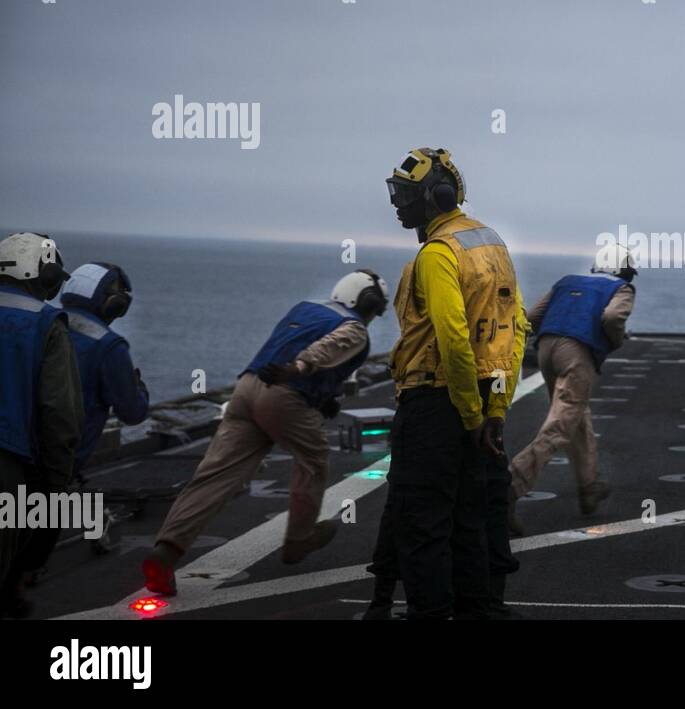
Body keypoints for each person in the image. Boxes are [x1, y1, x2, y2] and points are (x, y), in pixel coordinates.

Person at [143, 269, 388, 596]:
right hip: (285, 394)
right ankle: (298, 540)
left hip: (246, 389)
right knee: (313, 459)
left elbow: (288, 347)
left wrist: (323, 397)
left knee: (216, 474)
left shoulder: (304, 308)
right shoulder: (356, 328)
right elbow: (328, 349)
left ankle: (168, 549)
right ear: (369, 303)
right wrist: (299, 369)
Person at [366, 147, 527, 621]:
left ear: (437, 196)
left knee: (422, 524)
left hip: (435, 403)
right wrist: (493, 411)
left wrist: (473, 415)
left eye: (405, 195)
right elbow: (512, 333)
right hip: (478, 397)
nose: (397, 205)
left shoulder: (438, 255)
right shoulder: (492, 245)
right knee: (470, 519)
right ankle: (477, 610)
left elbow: (454, 338)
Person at [507, 243, 636, 533]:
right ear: (626, 271)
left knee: (575, 416)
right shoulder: (622, 289)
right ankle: (510, 486)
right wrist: (614, 341)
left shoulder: (567, 281)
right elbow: (613, 318)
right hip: (577, 353)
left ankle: (589, 486)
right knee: (559, 426)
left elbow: (530, 317)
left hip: (546, 349)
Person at [0, 233, 82, 619]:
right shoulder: (46, 324)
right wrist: (56, 479)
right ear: (43, 274)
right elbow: (59, 412)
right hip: (9, 461)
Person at [57, 263, 150, 475]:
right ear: (113, 304)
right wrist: (139, 389)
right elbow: (133, 413)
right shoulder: (109, 346)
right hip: (62, 462)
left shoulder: (43, 324)